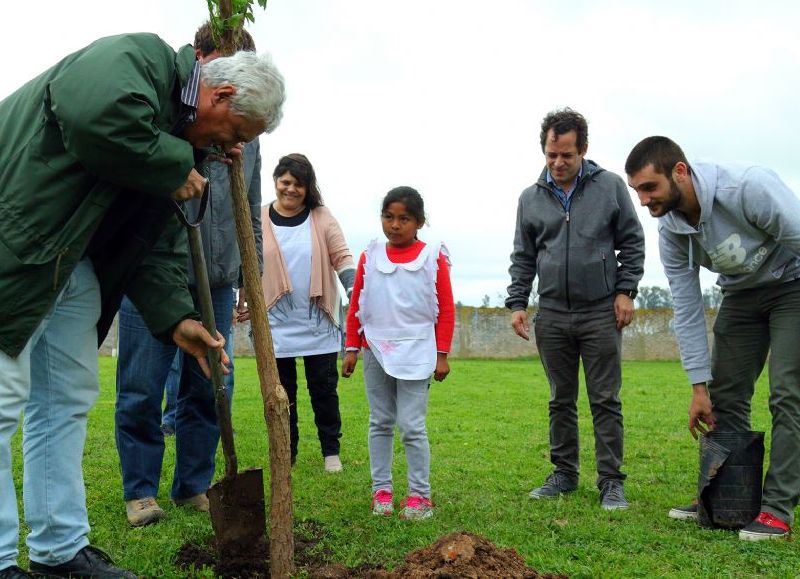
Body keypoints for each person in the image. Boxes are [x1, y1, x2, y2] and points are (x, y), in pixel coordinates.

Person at [0, 32, 284, 578]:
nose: (231, 150)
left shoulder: (175, 147)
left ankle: (59, 551)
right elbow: (91, 116)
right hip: (15, 244)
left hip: (72, 261)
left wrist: (176, 317)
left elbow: (151, 243)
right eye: (235, 133)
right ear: (220, 96)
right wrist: (175, 161)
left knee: (66, 402)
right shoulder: (140, 61)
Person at [114, 23, 263, 528]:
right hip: (153, 271)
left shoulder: (247, 133)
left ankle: (193, 484)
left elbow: (250, 206)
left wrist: (250, 274)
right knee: (141, 383)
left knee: (210, 383)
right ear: (201, 61)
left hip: (217, 276)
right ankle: (140, 491)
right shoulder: (167, 112)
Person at [625, 136, 800, 541]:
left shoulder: (747, 188)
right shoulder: (670, 230)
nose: (644, 200)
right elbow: (686, 307)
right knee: (726, 397)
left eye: (650, 187)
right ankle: (730, 498)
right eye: (637, 191)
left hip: (792, 285)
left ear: (680, 172)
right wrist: (697, 386)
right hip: (741, 294)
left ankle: (777, 507)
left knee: (788, 393)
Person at [506, 108, 645, 510]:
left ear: (583, 149)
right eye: (552, 155)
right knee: (559, 400)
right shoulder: (530, 198)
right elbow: (523, 255)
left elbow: (632, 243)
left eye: (567, 154)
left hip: (601, 311)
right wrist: (518, 301)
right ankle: (565, 474)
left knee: (605, 399)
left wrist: (626, 291)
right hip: (551, 314)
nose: (558, 163)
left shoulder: (611, 187)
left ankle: (611, 482)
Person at [341, 186, 455, 520]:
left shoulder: (433, 256)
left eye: (404, 218)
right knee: (380, 421)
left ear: (419, 221)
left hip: (418, 350)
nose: (394, 225)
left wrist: (442, 353)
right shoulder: (370, 255)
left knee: (412, 426)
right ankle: (383, 491)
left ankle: (420, 496)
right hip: (376, 347)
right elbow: (357, 304)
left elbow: (445, 309)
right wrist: (351, 348)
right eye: (388, 217)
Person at [256, 154, 354, 472]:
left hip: (318, 321)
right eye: (285, 182)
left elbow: (342, 256)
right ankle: (288, 453)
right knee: (284, 394)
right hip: (275, 323)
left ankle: (331, 453)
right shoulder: (259, 218)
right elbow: (247, 262)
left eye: (299, 184)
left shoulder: (321, 217)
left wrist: (353, 292)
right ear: (275, 181)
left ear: (307, 187)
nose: (291, 189)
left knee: (323, 391)